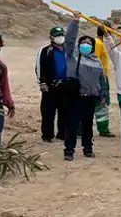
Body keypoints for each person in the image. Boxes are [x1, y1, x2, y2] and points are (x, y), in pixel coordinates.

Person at [61, 17, 105, 160]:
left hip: (90, 98)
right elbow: (69, 39)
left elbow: (101, 79)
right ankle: (69, 151)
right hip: (75, 96)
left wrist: (102, 95)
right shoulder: (72, 56)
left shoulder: (96, 60)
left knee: (88, 126)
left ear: (92, 47)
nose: (85, 45)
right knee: (72, 126)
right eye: (83, 43)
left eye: (88, 43)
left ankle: (88, 149)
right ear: (79, 45)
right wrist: (75, 22)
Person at [36, 26, 69, 144]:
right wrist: (42, 82)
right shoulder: (45, 51)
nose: (59, 37)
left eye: (61, 35)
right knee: (48, 111)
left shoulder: (68, 50)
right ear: (51, 37)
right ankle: (47, 135)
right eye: (57, 35)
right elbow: (39, 67)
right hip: (50, 85)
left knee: (65, 110)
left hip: (65, 84)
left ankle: (62, 133)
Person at [93, 25, 114, 138]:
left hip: (103, 76)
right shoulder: (97, 43)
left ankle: (103, 129)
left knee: (103, 103)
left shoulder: (103, 43)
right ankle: (102, 129)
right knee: (100, 103)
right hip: (97, 77)